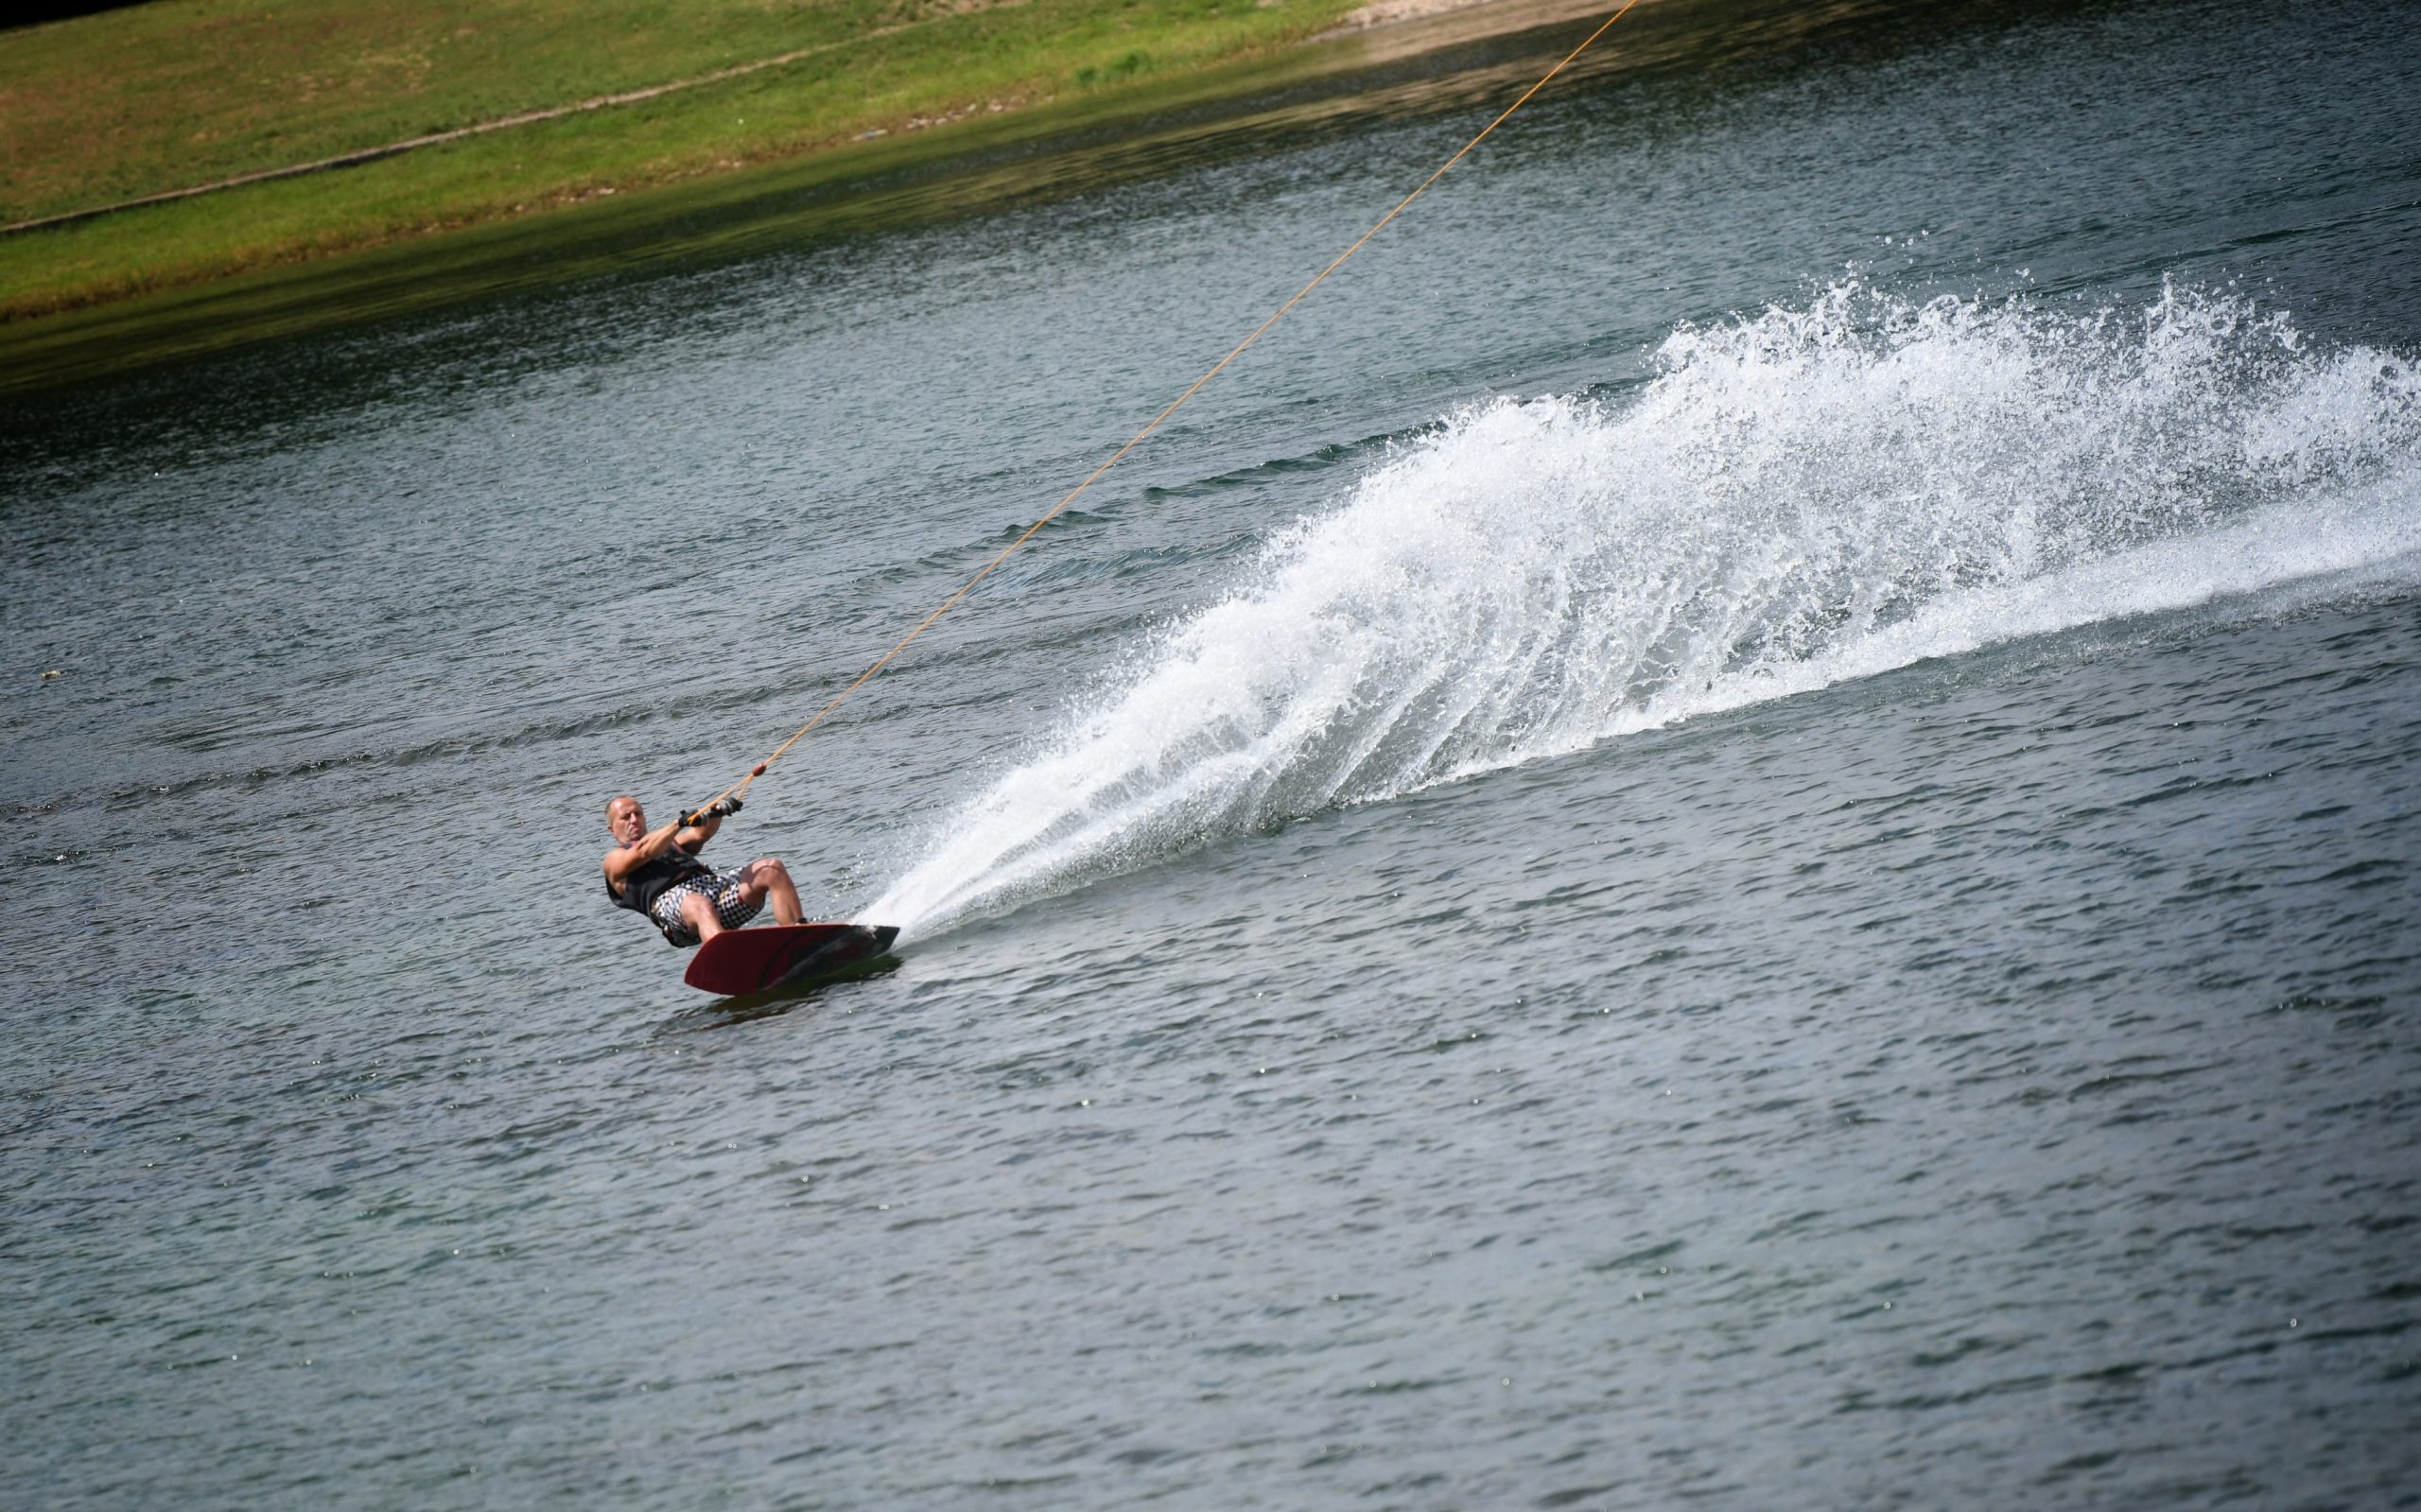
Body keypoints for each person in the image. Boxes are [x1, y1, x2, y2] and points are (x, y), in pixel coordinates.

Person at [602, 792, 803, 947]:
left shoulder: (671, 843)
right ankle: (732, 960)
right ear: (612, 828)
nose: (634, 820)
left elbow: (700, 834)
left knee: (771, 868)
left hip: (712, 894)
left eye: (637, 814)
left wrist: (717, 813)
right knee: (698, 903)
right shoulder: (614, 859)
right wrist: (678, 823)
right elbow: (644, 852)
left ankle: (799, 937)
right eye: (625, 817)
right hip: (676, 915)